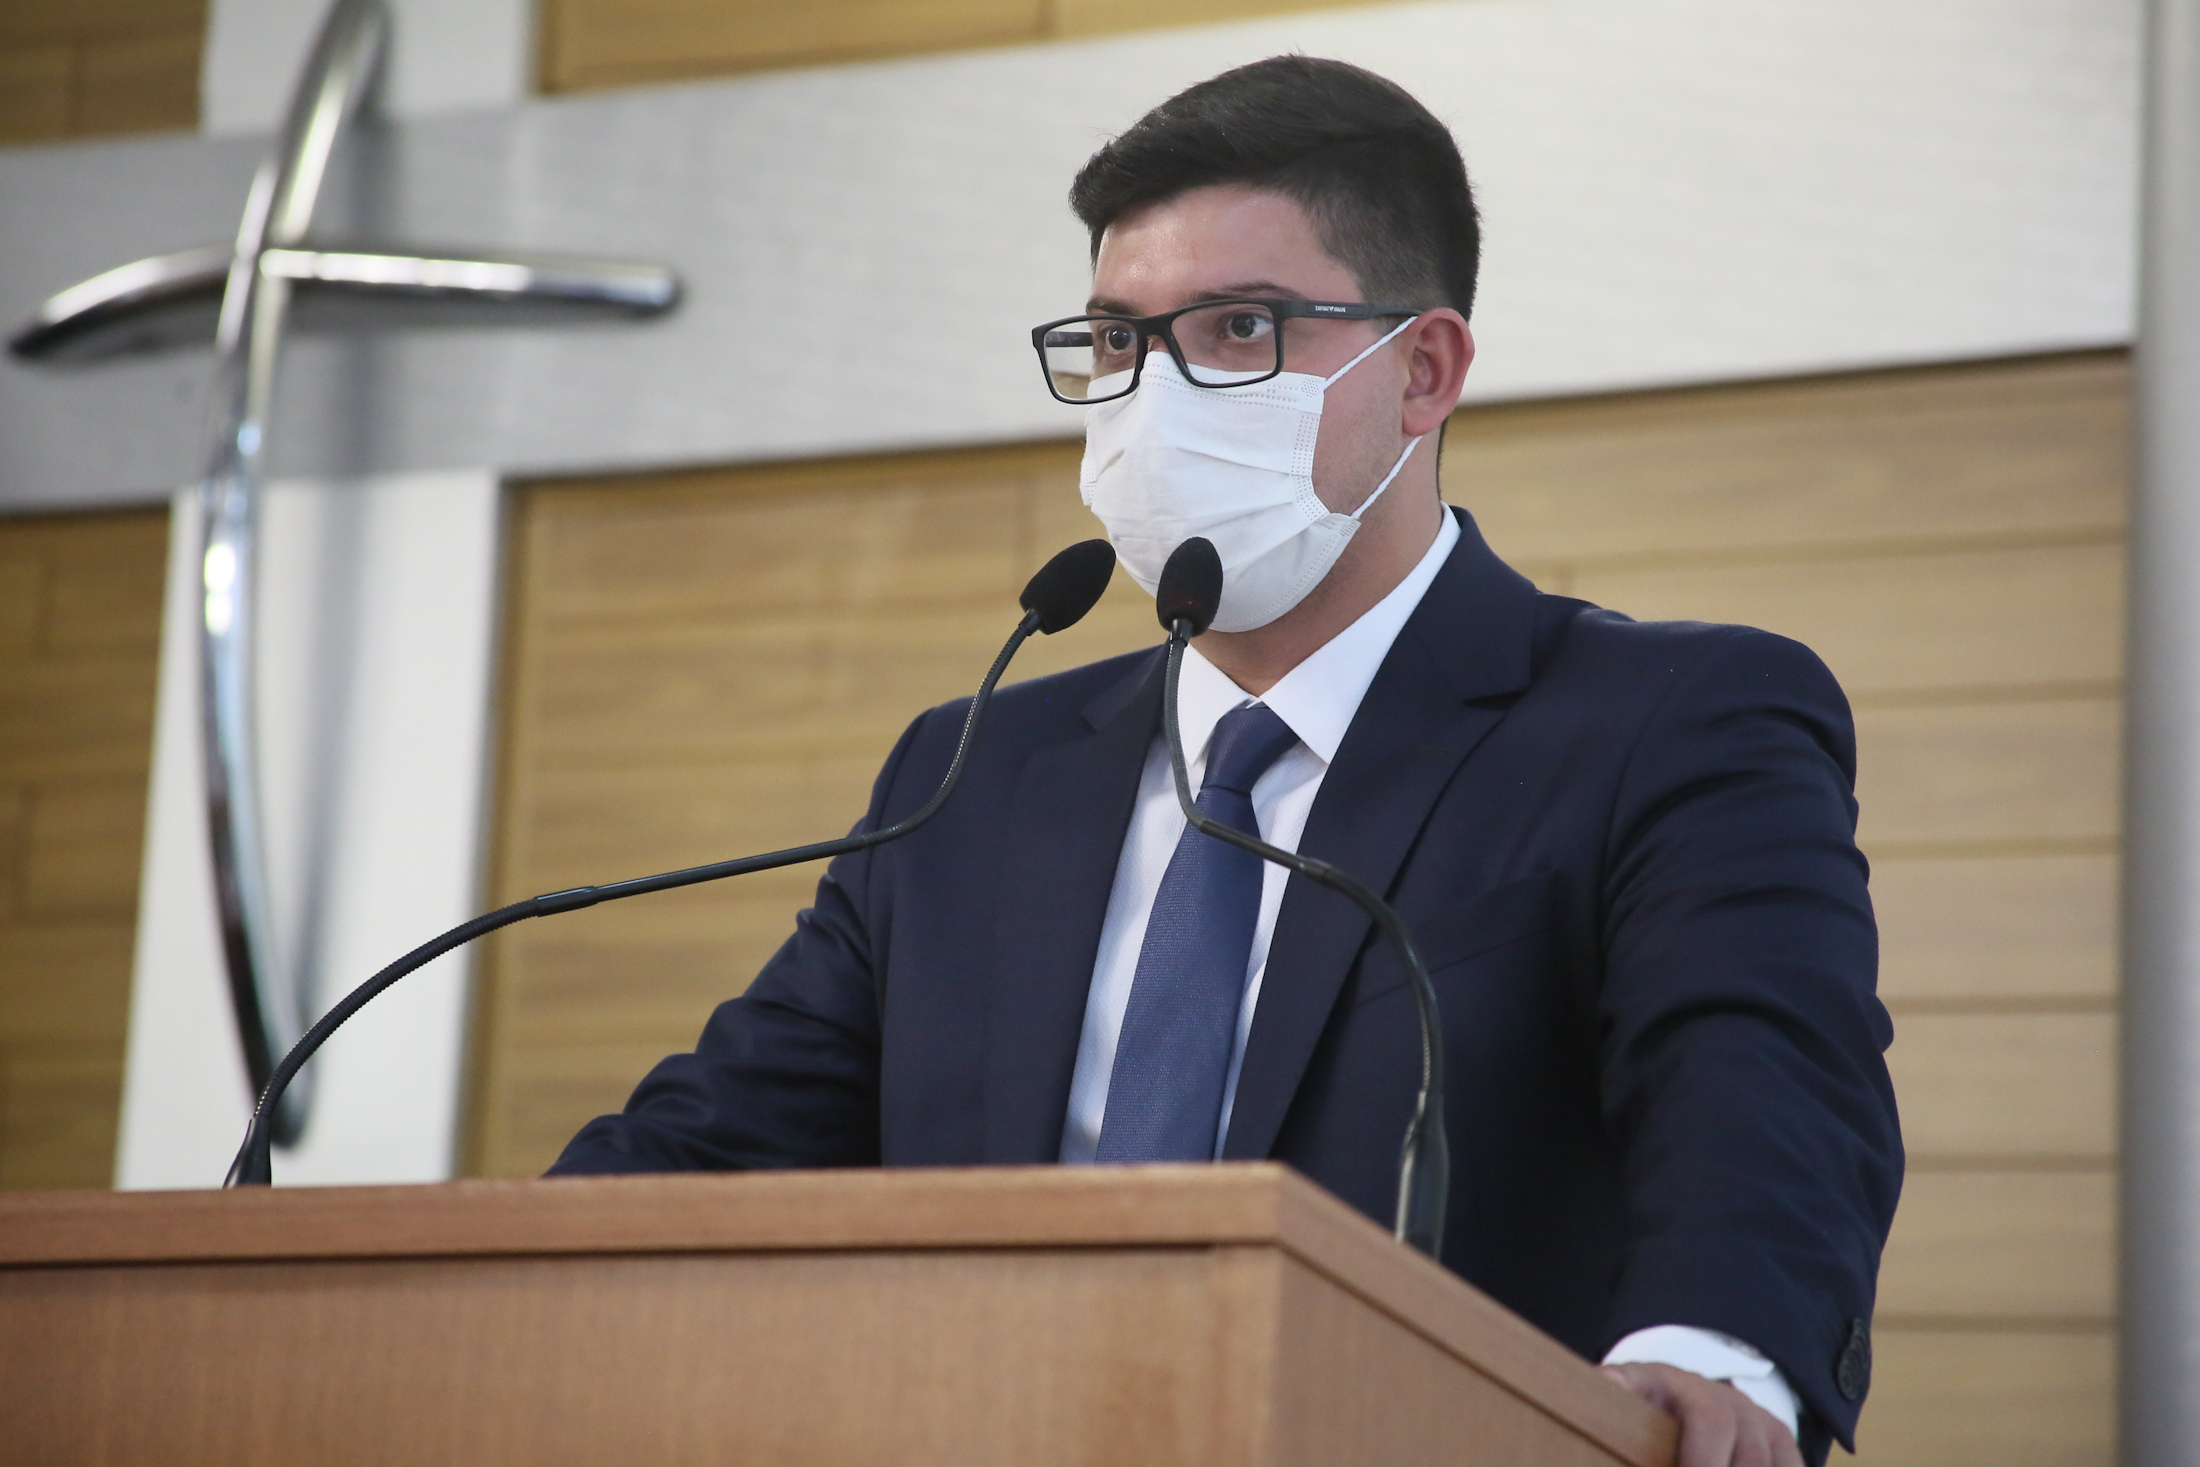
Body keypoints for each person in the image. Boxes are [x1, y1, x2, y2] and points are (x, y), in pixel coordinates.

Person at [549, 56, 1902, 1467]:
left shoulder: (1669, 719)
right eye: (1118, 340)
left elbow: (1763, 1085)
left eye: (1240, 327)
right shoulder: (976, 772)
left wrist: (1712, 1348)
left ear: (1422, 372)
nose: (1158, 396)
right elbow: (719, 1142)